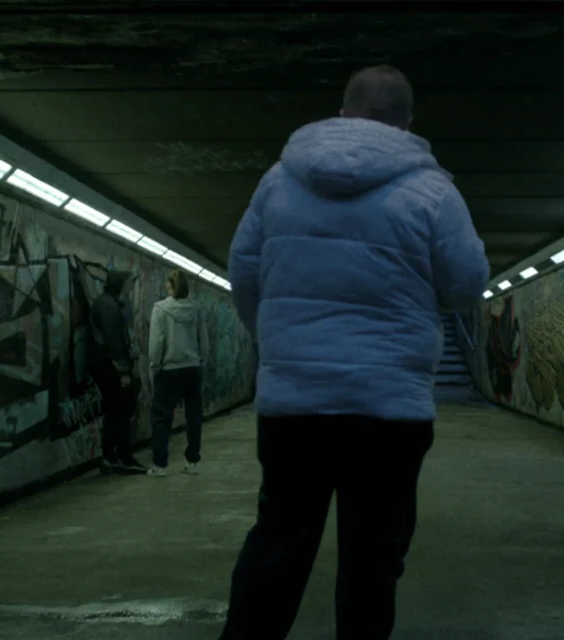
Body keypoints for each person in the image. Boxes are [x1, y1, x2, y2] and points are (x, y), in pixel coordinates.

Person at [220, 65, 490, 639]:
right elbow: (467, 284)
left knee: (278, 543)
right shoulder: (434, 191)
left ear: (342, 113)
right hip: (389, 407)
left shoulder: (278, 182)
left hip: (294, 404)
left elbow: (243, 271)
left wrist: (276, 344)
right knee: (372, 557)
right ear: (407, 123)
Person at [146, 269, 208, 477]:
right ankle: (192, 462)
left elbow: (157, 342)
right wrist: (201, 360)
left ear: (169, 287)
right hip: (192, 369)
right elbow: (203, 339)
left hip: (169, 370)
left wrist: (154, 366)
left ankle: (160, 465)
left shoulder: (160, 309)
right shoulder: (196, 309)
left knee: (161, 417)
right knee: (194, 416)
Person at [88, 269, 147, 475]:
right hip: (109, 367)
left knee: (113, 411)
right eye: (129, 285)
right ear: (120, 285)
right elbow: (114, 341)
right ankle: (123, 457)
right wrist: (123, 372)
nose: (130, 289)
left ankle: (110, 458)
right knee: (121, 410)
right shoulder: (109, 307)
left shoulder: (108, 303)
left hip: (104, 365)